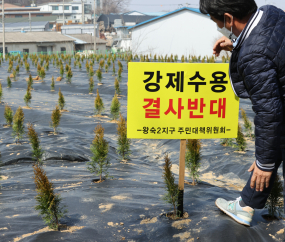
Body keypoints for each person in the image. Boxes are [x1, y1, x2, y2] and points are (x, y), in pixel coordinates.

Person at [199, 0, 285, 226]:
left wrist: (264, 163)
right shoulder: (270, 12)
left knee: (268, 155)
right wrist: (238, 45)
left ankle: (246, 204)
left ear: (228, 19)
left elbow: (268, 112)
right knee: (274, 144)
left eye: (216, 21)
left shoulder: (252, 57)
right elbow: (271, 45)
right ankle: (246, 205)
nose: (217, 26)